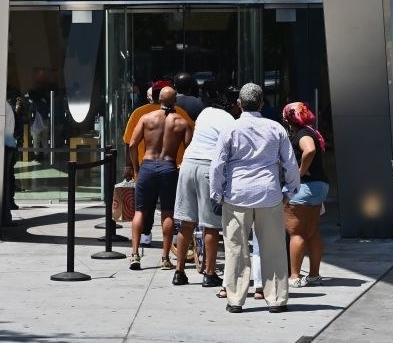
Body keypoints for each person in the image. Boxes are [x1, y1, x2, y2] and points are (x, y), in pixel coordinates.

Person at [210, 82, 300, 314]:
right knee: (273, 248)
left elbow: (218, 164)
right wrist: (291, 190)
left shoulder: (230, 129)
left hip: (237, 194)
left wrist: (216, 192)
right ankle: (276, 299)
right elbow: (290, 162)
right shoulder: (276, 128)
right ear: (262, 103)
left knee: (236, 249)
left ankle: (236, 299)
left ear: (239, 104)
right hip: (269, 194)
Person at [171, 99, 237, 287]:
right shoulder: (230, 120)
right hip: (208, 166)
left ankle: (179, 272)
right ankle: (209, 273)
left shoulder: (204, 113)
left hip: (188, 163)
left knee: (186, 222)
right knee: (211, 225)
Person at [127, 86, 192, 270]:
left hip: (147, 165)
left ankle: (134, 254)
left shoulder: (146, 118)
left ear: (159, 99)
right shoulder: (182, 122)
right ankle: (164, 257)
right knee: (167, 213)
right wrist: (181, 166)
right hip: (168, 167)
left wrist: (136, 168)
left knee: (140, 211)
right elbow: (190, 150)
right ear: (175, 101)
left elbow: (132, 144)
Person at [282, 101, 329, 288]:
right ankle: (314, 274)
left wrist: (299, 173)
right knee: (311, 232)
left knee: (296, 232)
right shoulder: (312, 131)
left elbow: (309, 149)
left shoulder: (302, 134)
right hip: (320, 186)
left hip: (306, 187)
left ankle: (294, 276)